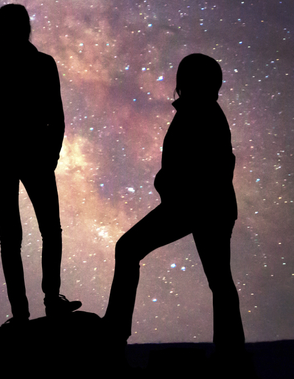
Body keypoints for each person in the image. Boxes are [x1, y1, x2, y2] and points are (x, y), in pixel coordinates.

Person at [101, 52, 244, 357]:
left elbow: (211, 166)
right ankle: (231, 351)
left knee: (128, 249)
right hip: (206, 206)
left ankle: (114, 331)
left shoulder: (200, 111)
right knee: (219, 279)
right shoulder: (201, 110)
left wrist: (170, 185)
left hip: (196, 206)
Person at [0, 3, 81, 322]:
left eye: (3, 27)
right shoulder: (36, 64)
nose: (0, 32)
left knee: (23, 235)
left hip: (13, 155)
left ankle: (29, 309)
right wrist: (49, 156)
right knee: (37, 232)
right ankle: (38, 304)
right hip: (22, 155)